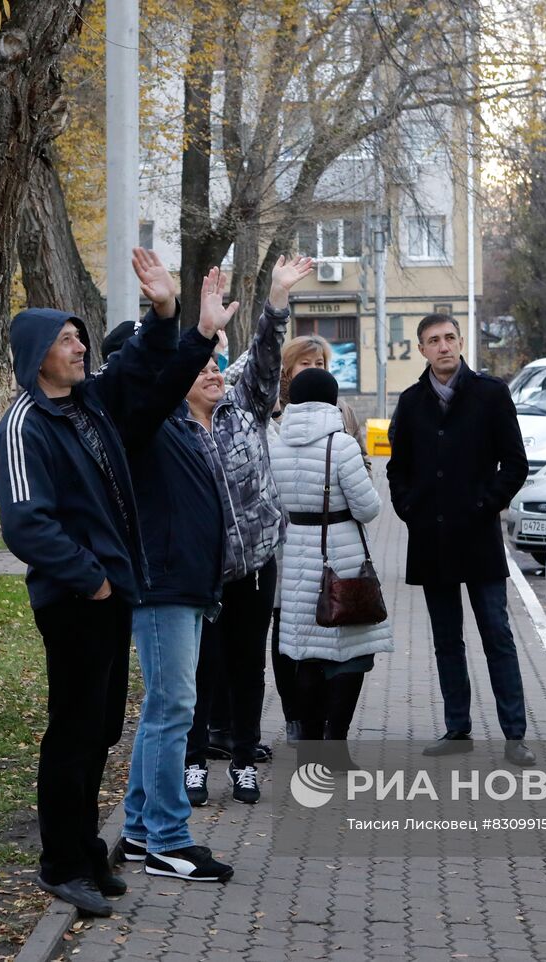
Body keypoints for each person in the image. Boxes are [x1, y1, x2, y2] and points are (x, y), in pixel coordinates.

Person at [0, 251, 197, 917]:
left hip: (111, 595)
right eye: (67, 339)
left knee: (102, 728)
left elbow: (141, 367)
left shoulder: (87, 405)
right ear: (36, 356)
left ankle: (86, 851)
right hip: (77, 601)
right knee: (73, 733)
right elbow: (27, 526)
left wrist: (165, 310)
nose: (80, 346)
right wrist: (95, 582)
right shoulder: (24, 425)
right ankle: (61, 864)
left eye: (81, 336)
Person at [113, 259, 239, 884]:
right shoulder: (137, 420)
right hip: (161, 585)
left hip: (185, 583)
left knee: (163, 708)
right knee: (171, 709)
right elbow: (159, 380)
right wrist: (185, 329)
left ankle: (139, 829)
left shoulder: (171, 424)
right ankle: (168, 837)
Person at [184, 255, 314, 807]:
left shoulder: (245, 407)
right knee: (200, 670)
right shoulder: (171, 427)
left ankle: (243, 760)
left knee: (245, 666)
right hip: (198, 571)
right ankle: (192, 762)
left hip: (255, 566)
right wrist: (199, 330)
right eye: (203, 366)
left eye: (218, 365)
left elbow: (263, 360)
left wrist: (277, 301)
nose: (215, 372)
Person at [385, 313, 535, 767]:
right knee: (446, 639)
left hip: (478, 536)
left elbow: (515, 463)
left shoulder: (490, 394)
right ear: (422, 350)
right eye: (434, 340)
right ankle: (458, 728)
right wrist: (409, 510)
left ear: (461, 341)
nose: (444, 346)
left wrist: (484, 505)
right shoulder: (411, 402)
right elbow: (398, 468)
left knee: (497, 635)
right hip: (431, 539)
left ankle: (515, 735)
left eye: (450, 337)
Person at [221, 333, 366, 746]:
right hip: (282, 543)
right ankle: (296, 719)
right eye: (306, 363)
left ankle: (311, 726)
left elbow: (360, 462)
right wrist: (258, 345)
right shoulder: (267, 412)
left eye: (321, 362)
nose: (315, 369)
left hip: (328, 542)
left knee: (327, 630)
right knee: (288, 635)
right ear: (287, 369)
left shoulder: (343, 412)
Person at [269, 368, 391, 758]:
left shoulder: (275, 442)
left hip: (292, 558)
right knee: (350, 653)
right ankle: (335, 746)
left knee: (305, 653)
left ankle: (307, 746)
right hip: (340, 556)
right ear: (332, 400)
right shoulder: (340, 445)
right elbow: (368, 508)